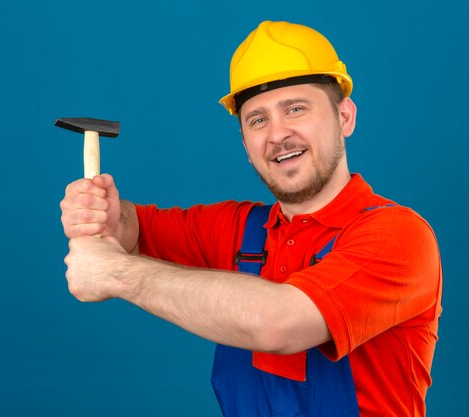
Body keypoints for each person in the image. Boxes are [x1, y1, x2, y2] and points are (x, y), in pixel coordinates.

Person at [61, 21, 442, 417]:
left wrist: (116, 272)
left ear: (344, 116)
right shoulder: (240, 230)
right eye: (257, 120)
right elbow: (132, 229)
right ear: (245, 143)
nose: (277, 135)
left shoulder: (397, 236)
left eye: (295, 108)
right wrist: (105, 215)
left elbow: (279, 323)